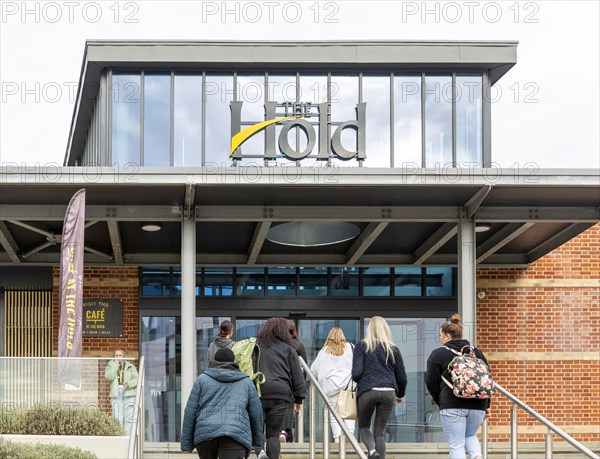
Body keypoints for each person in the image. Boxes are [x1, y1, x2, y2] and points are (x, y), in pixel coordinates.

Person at [181, 348, 266, 459]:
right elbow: (256, 413)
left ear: (214, 360)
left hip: (206, 436)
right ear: (233, 361)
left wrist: (187, 445)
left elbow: (190, 412)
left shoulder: (201, 380)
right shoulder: (246, 382)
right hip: (235, 436)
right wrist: (257, 443)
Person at [425, 314, 490, 459]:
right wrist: (487, 404)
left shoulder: (438, 354)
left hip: (452, 404)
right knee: (470, 436)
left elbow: (430, 381)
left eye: (440, 335)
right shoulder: (476, 352)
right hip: (478, 405)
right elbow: (487, 378)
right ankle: (477, 456)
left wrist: (439, 399)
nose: (439, 338)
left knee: (456, 444)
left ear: (447, 336)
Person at [352, 316, 407, 459]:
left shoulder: (362, 346)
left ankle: (371, 451)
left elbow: (356, 373)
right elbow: (402, 377)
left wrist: (361, 379)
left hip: (368, 392)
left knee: (364, 427)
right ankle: (377, 455)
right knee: (379, 433)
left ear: (369, 329)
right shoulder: (393, 349)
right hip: (389, 392)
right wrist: (400, 394)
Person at [255, 317, 306, 459]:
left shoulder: (256, 346)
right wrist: (299, 398)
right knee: (273, 434)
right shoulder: (288, 349)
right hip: (281, 395)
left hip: (259, 392)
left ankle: (260, 452)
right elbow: (298, 375)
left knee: (257, 431)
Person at [310, 327, 356, 443]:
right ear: (342, 337)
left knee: (334, 414)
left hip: (330, 389)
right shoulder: (350, 348)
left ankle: (337, 439)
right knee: (349, 411)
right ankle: (350, 438)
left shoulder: (324, 351)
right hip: (347, 387)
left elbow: (313, 371)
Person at [279, 320, 308, 443]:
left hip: (277, 381)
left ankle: (284, 433)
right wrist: (300, 391)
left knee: (278, 410)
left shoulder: (277, 344)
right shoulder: (298, 345)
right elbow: (304, 368)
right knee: (288, 409)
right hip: (291, 383)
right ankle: (285, 433)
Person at [105, 348, 139, 435]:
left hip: (129, 393)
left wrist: (128, 384)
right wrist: (116, 365)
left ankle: (128, 439)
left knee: (129, 418)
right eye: (116, 355)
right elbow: (110, 377)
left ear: (124, 356)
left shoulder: (131, 366)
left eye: (120, 355)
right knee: (117, 418)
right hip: (116, 393)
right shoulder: (110, 365)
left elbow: (137, 379)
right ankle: (119, 437)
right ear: (114, 357)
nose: (118, 357)